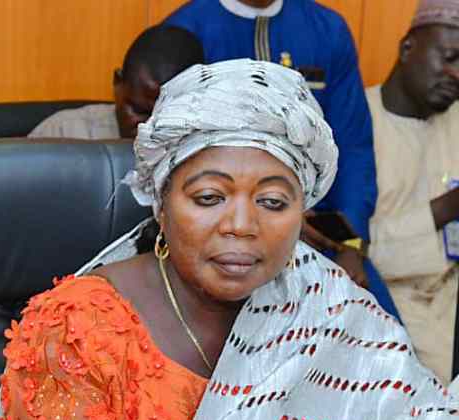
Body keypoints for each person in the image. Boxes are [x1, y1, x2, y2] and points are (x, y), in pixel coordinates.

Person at [0, 60, 459, 420]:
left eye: (273, 202)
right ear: (160, 201)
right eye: (209, 197)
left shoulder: (326, 303)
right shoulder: (75, 325)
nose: (242, 224)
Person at [163, 0, 399, 318]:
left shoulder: (327, 30)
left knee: (373, 324)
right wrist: (275, 214)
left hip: (324, 237)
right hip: (227, 233)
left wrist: (351, 244)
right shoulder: (188, 30)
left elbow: (353, 147)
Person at [366, 0, 459, 385]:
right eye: (450, 57)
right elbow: (358, 251)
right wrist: (447, 208)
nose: (457, 74)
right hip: (384, 309)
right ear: (408, 48)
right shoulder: (356, 125)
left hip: (451, 302)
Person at [29, 25, 204, 141]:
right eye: (139, 111)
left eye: (168, 117)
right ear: (117, 83)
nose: (150, 128)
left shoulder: (209, 146)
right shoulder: (62, 133)